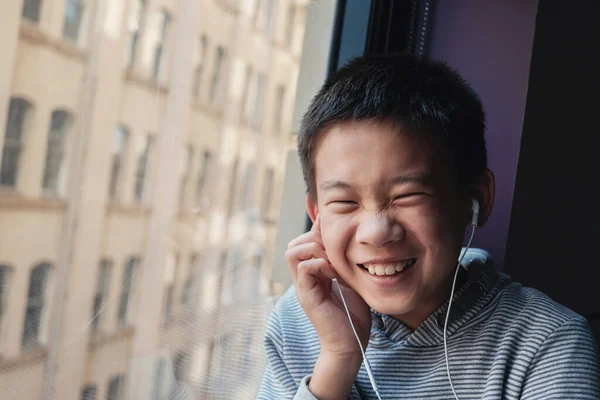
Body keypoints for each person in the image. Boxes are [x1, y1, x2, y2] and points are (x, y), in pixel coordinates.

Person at [257, 53, 600, 399]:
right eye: (345, 203)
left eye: (409, 195)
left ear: (475, 200)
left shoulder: (546, 344)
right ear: (316, 216)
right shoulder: (299, 320)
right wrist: (338, 360)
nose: (376, 232)